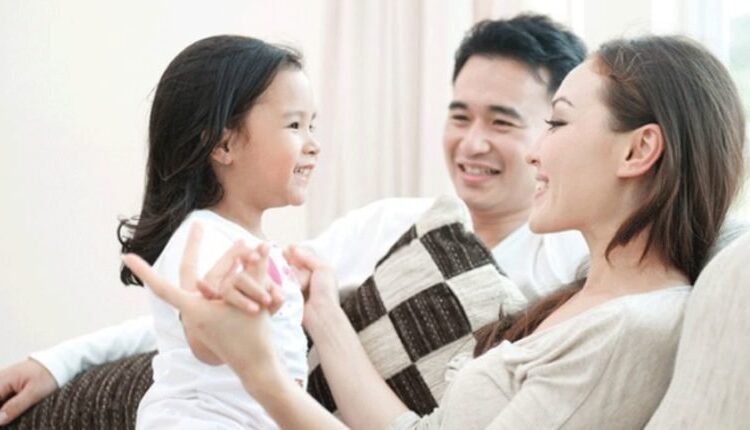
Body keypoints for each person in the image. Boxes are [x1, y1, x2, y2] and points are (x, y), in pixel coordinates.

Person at [126, 34, 746, 429]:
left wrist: (262, 374)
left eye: (555, 124)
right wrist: (325, 316)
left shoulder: (627, 330)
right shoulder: (585, 297)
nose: (536, 153)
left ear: (638, 150)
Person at [0, 14, 590, 425]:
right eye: (460, 116)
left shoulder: (574, 272)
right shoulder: (389, 226)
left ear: (553, 129)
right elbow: (198, 312)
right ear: (223, 143)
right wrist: (62, 360)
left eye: (502, 121)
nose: (472, 142)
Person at [109, 35, 319, 429]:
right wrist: (223, 309)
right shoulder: (199, 238)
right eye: (295, 125)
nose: (313, 145)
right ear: (224, 145)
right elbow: (204, 334)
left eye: (312, 125)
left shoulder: (251, 247)